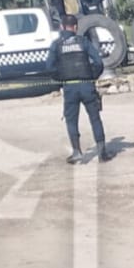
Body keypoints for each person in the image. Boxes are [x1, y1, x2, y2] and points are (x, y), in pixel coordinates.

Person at [49, 13, 111, 163]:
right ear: (75, 27)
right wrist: (92, 77)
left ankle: (77, 152)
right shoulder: (83, 42)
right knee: (95, 118)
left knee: (71, 120)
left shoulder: (56, 44)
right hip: (87, 85)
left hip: (70, 87)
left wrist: (61, 79)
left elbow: (49, 67)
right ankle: (102, 153)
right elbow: (98, 63)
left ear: (62, 27)